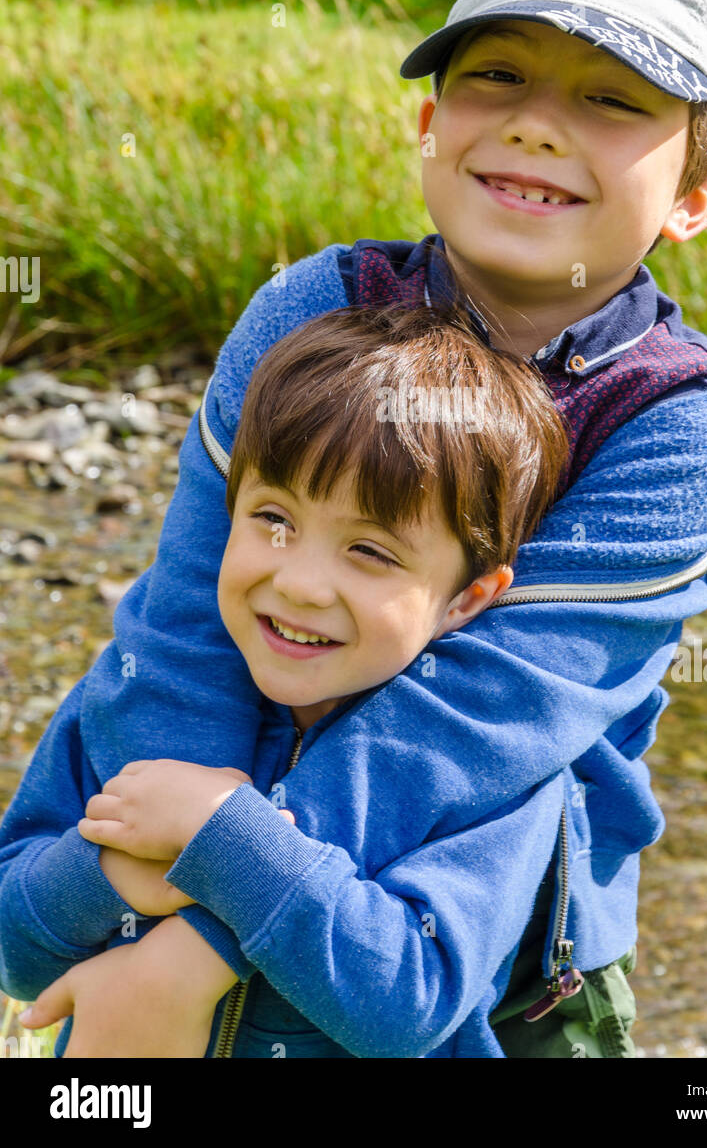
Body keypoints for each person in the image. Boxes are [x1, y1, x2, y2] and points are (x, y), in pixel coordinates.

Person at [0, 0, 707, 1058]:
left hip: (475, 952)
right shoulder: (309, 307)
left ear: (696, 196)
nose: (538, 124)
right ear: (428, 121)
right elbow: (192, 613)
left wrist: (197, 932)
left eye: (611, 99)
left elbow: (478, 720)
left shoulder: (676, 419)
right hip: (190, 850)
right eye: (496, 75)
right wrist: (157, 843)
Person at [1, 303, 581, 1057]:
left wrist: (226, 838)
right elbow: (16, 956)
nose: (301, 584)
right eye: (273, 519)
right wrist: (104, 871)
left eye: (370, 551)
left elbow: (407, 1003)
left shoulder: (486, 770)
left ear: (467, 599)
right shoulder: (136, 693)